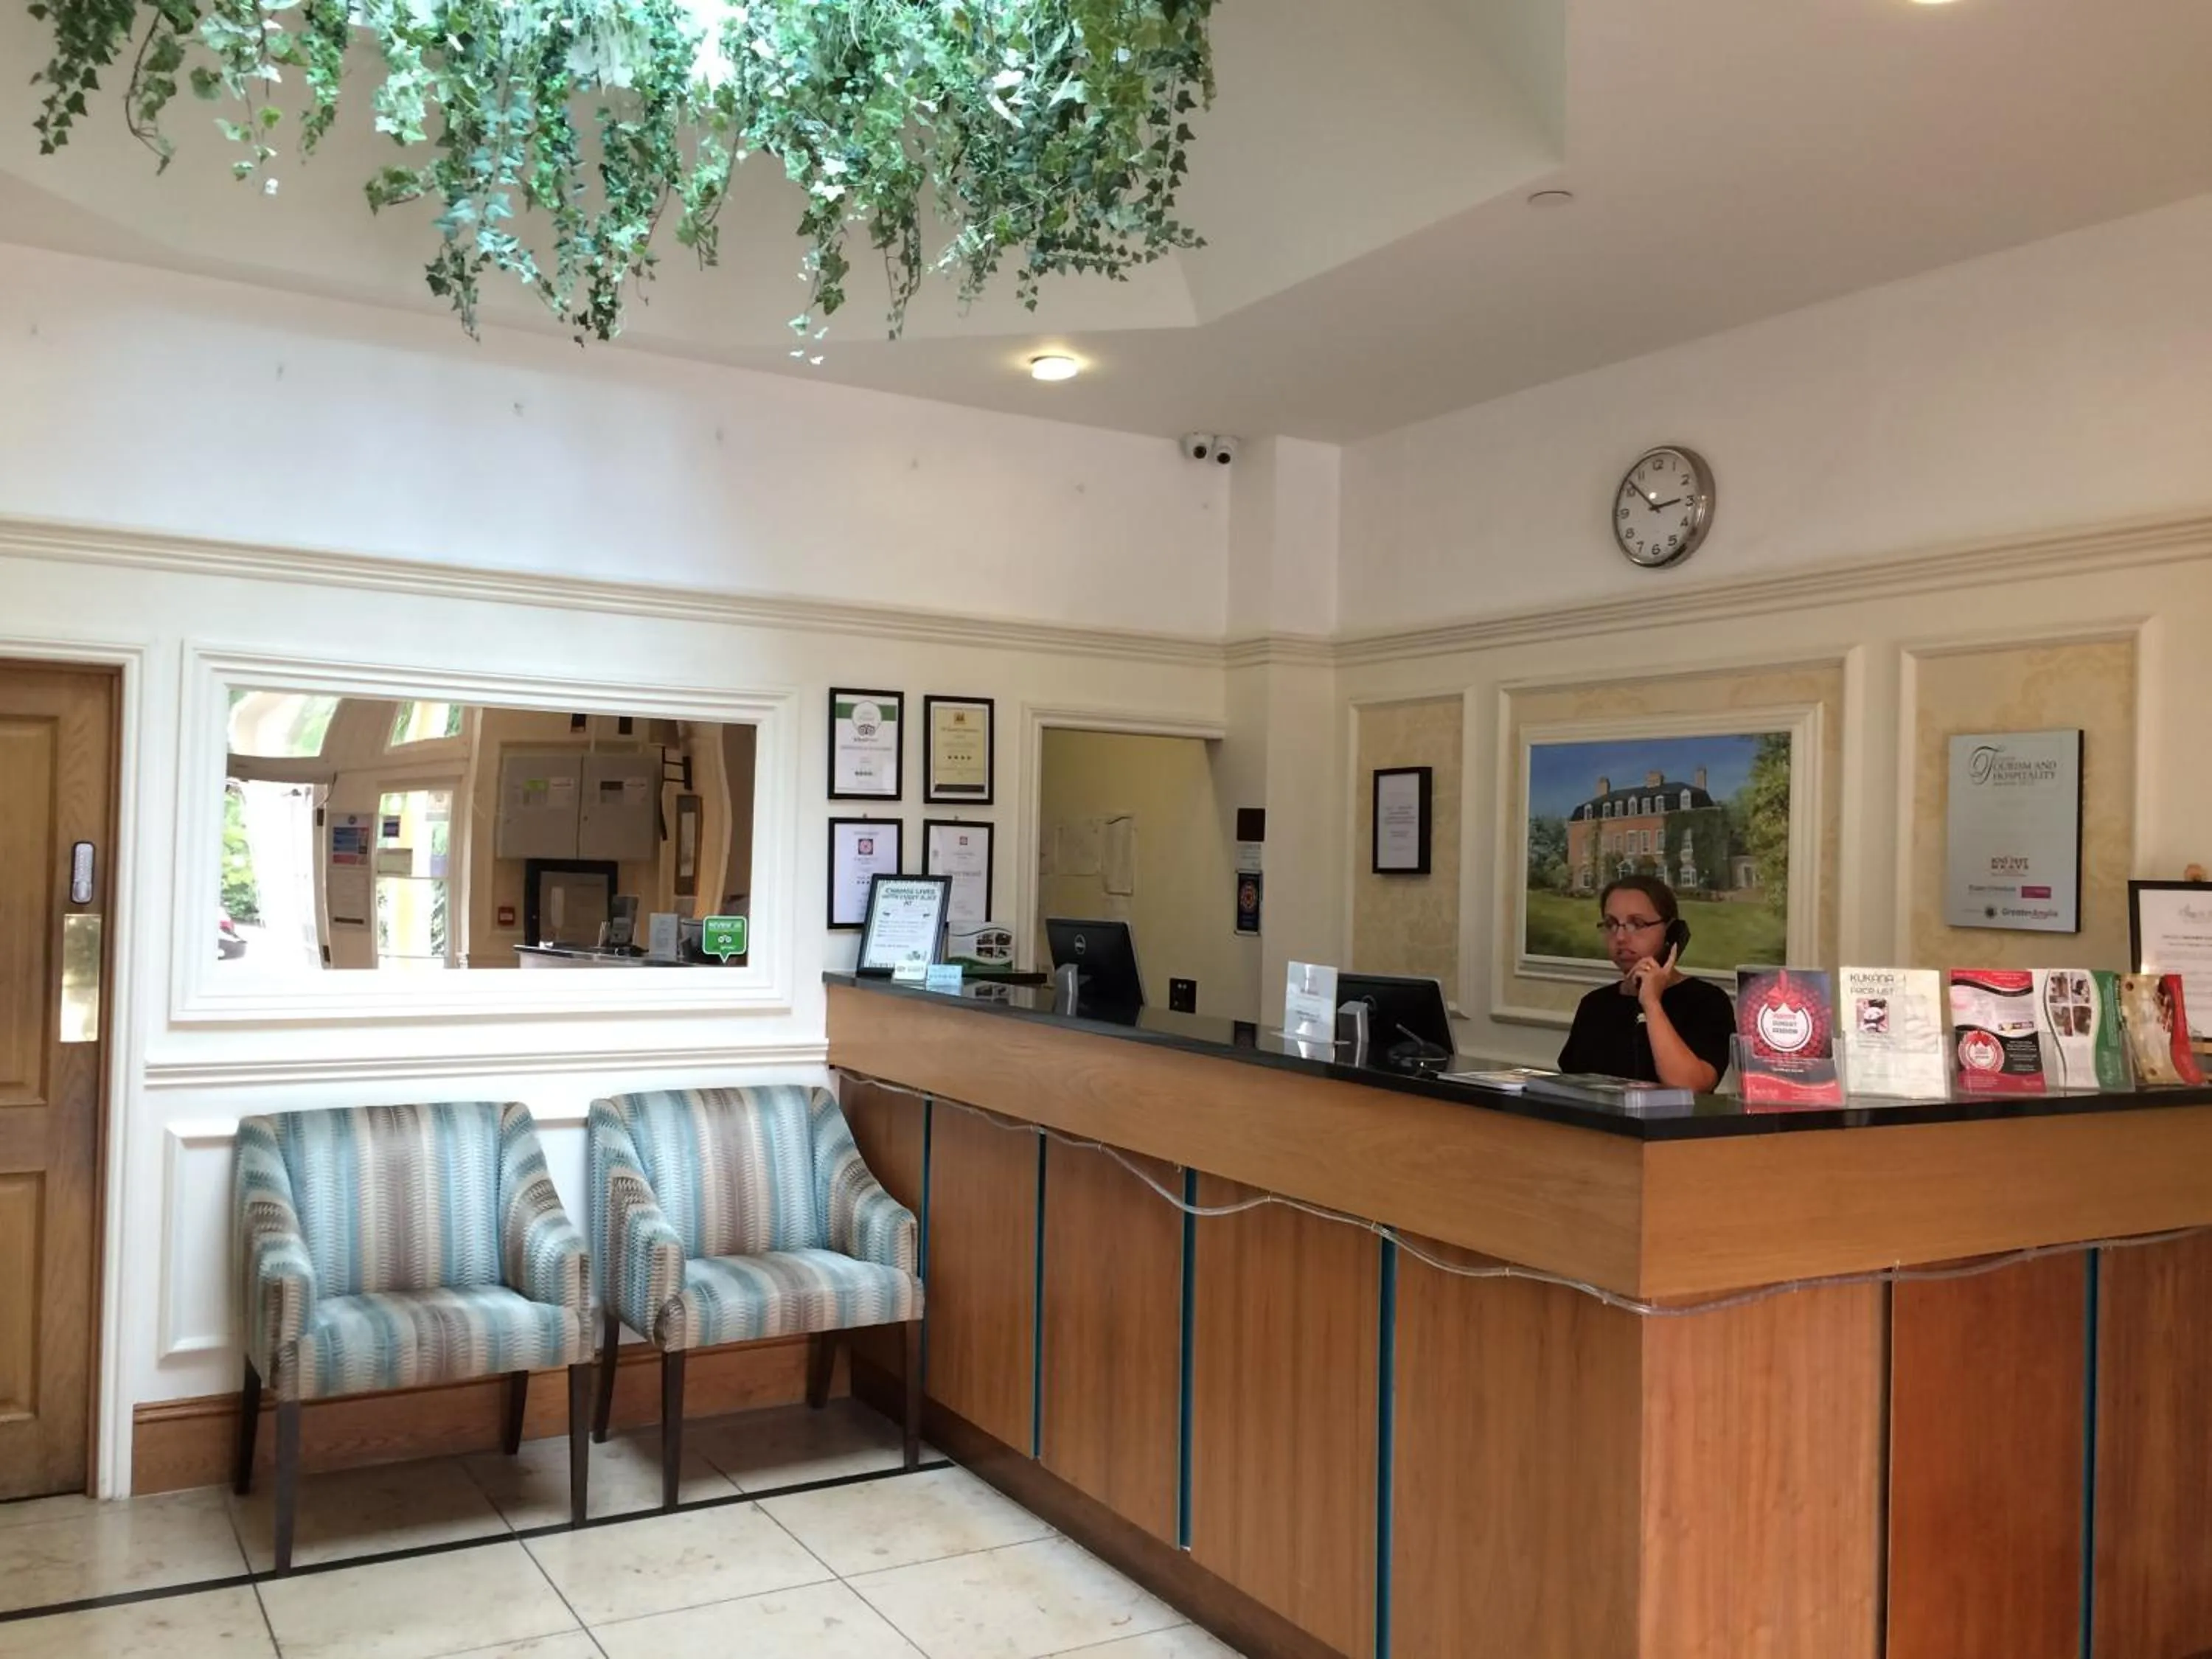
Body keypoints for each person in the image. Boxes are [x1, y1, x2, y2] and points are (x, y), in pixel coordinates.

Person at [1556, 875, 1734, 1090]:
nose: (1620, 937)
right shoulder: (1594, 1005)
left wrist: (1651, 1003)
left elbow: (1692, 1087)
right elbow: (1571, 1087)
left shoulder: (1707, 1001)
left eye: (1637, 924)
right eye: (1611, 924)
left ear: (1671, 932)